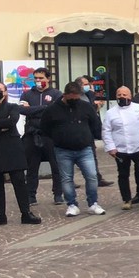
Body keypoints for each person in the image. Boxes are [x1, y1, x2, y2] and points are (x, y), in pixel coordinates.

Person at [0, 82, 40, 226]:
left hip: (11, 147)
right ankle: (0, 215)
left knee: (19, 180)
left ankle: (26, 213)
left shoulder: (12, 107)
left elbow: (11, 122)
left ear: (5, 92)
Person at [41, 81, 104, 217]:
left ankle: (93, 203)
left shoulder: (86, 107)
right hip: (63, 150)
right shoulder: (52, 109)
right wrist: (57, 139)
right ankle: (72, 204)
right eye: (72, 99)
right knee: (66, 178)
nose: (75, 101)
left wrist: (89, 137)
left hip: (84, 148)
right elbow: (45, 128)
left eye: (77, 98)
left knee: (92, 176)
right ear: (65, 95)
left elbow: (95, 124)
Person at [102, 85, 139, 209]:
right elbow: (106, 131)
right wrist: (110, 147)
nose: (122, 97)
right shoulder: (110, 113)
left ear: (130, 96)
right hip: (120, 149)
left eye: (124, 95)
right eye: (119, 95)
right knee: (123, 175)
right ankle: (126, 199)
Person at [21, 66, 63, 206]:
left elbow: (55, 111)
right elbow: (23, 111)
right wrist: (45, 108)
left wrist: (33, 110)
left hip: (51, 135)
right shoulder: (27, 94)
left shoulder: (57, 94)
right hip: (32, 134)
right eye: (36, 78)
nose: (38, 81)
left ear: (48, 78)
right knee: (32, 167)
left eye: (41, 78)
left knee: (56, 166)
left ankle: (58, 194)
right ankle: (30, 195)